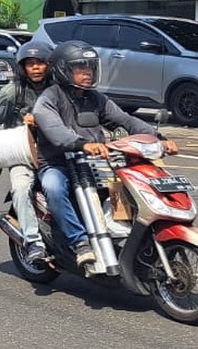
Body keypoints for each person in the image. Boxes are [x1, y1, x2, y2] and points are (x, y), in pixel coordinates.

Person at [30, 40, 176, 269]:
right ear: (62, 69)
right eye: (80, 68)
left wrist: (160, 139)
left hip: (94, 162)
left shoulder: (96, 98)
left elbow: (126, 120)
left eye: (90, 67)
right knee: (54, 188)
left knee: (128, 185)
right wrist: (82, 144)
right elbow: (56, 133)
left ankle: (127, 238)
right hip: (58, 162)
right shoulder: (49, 99)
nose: (87, 73)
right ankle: (79, 243)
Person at [0, 43, 51, 265]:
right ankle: (34, 241)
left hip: (55, 154)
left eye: (40, 63)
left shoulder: (58, 91)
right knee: (21, 187)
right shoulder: (12, 92)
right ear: (22, 68)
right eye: (30, 64)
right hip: (22, 155)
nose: (35, 68)